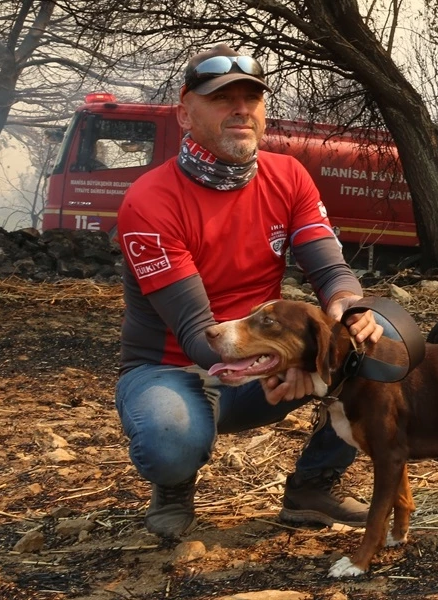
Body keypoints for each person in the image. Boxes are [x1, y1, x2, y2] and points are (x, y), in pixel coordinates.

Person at [114, 44, 383, 538]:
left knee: (378, 339)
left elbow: (331, 272)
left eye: (252, 98)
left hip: (262, 362)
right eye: (221, 98)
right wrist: (284, 361)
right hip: (174, 367)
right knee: (169, 437)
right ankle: (174, 485)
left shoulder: (289, 175)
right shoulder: (148, 201)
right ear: (184, 113)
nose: (241, 109)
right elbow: (199, 333)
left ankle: (312, 486)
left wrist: (349, 308)